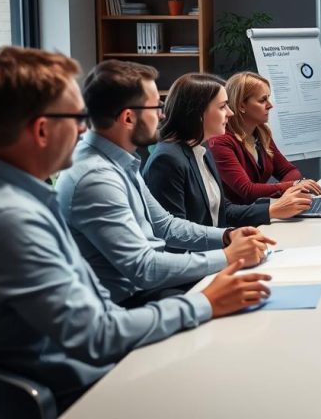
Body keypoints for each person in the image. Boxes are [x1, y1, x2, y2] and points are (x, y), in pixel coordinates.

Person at [0, 47, 271, 411]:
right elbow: (97, 335)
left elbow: (100, 300)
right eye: (76, 117)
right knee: (238, 382)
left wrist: (218, 255)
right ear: (43, 129)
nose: (84, 127)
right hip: (86, 389)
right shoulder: (10, 219)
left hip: (87, 364)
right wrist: (202, 302)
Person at [57, 60, 276, 306]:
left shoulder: (120, 160)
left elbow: (166, 225)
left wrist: (227, 235)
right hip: (129, 304)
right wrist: (226, 256)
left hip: (150, 291)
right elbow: (144, 268)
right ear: (128, 118)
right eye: (155, 106)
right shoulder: (95, 178)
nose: (162, 114)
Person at [143, 72, 312, 227]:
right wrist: (229, 242)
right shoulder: (167, 159)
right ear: (199, 112)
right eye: (223, 106)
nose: (230, 113)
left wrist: (272, 210)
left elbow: (223, 210)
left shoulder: (201, 150)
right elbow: (175, 236)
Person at [209, 71, 321, 204]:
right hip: (238, 219)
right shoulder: (220, 142)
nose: (270, 105)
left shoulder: (262, 133)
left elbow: (290, 171)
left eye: (268, 98)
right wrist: (293, 186)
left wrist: (287, 192)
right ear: (241, 105)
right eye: (263, 100)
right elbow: (247, 191)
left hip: (262, 211)